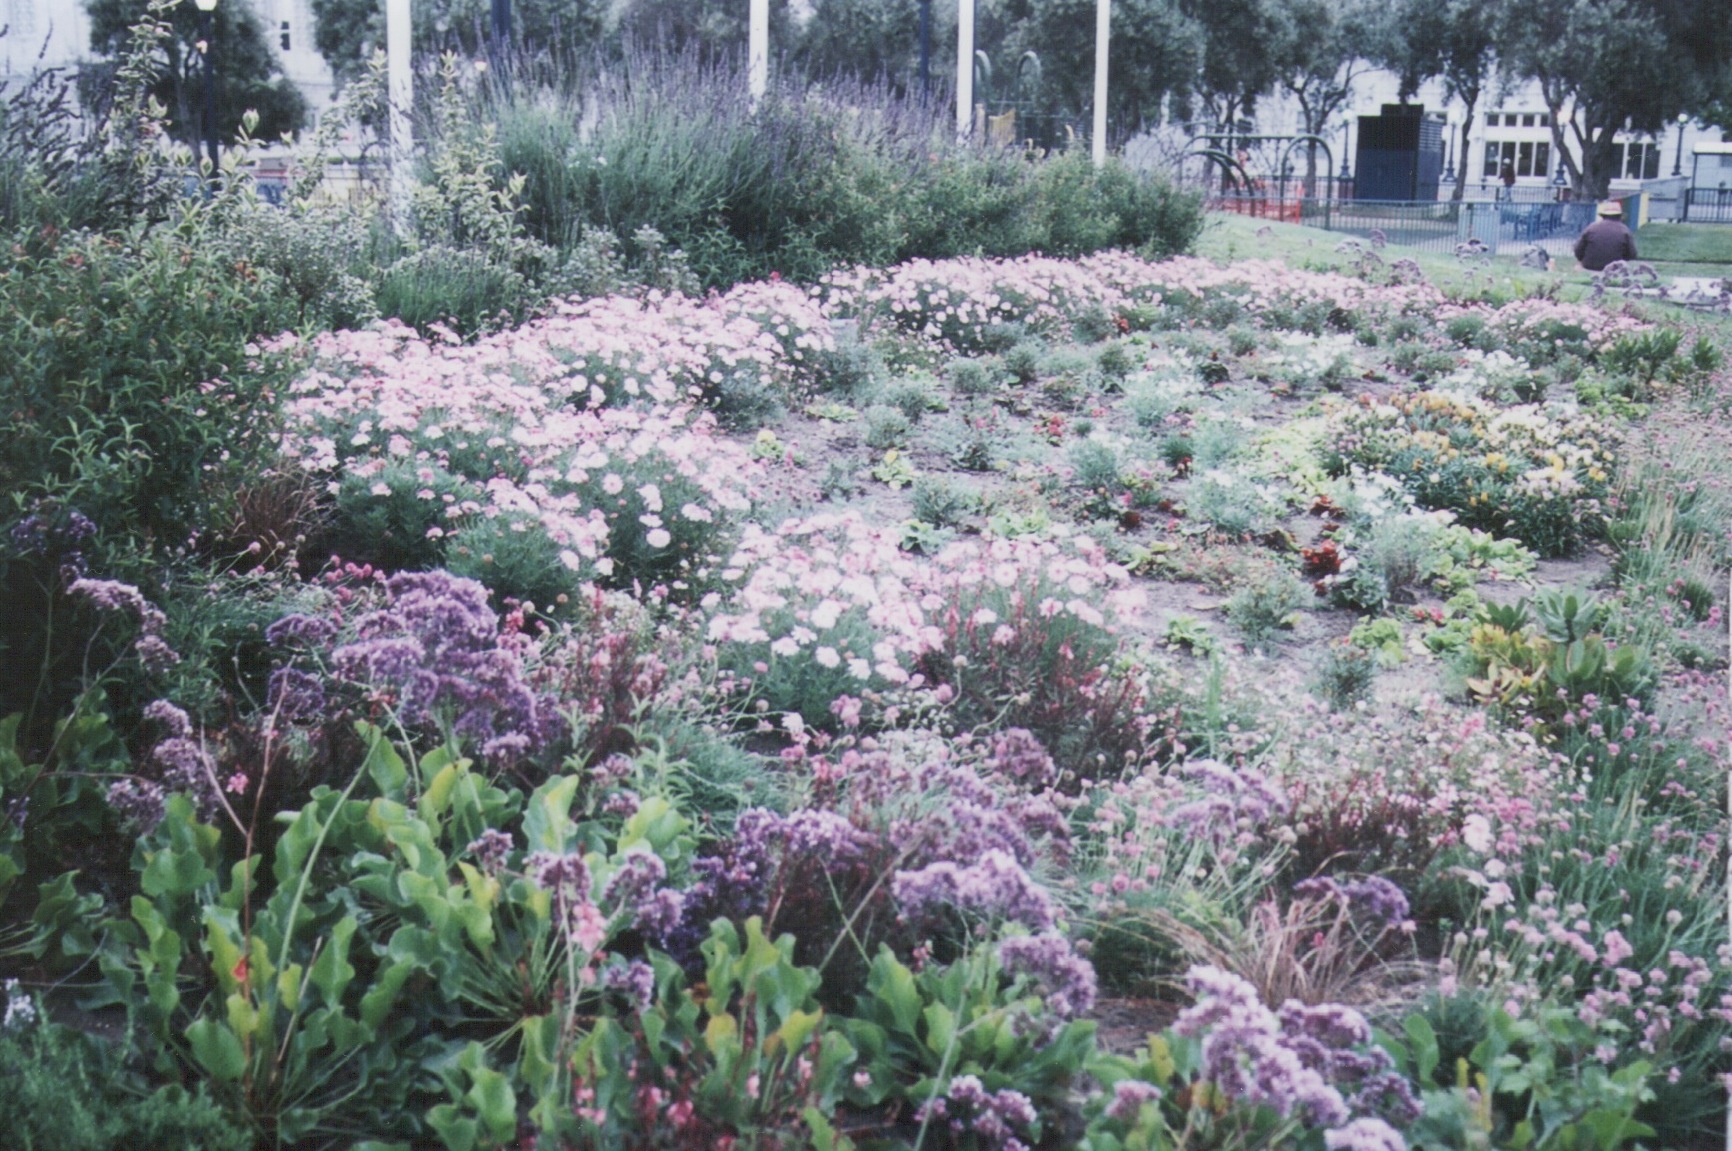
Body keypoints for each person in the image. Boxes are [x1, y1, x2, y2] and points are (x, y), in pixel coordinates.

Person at [1574, 200, 1638, 272]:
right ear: (1620, 216)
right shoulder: (1625, 230)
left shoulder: (1591, 228)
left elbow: (1578, 250)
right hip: (1615, 269)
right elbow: (1632, 254)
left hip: (1589, 267)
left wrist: (1582, 260)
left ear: (1603, 216)